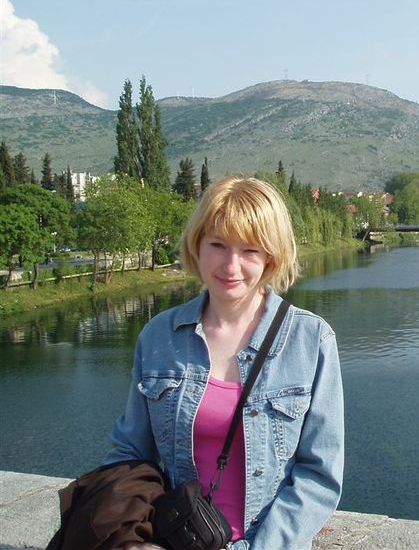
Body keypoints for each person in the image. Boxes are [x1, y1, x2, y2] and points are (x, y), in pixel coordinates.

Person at [105, 176, 345, 550]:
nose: (231, 266)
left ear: (271, 256)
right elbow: (130, 454)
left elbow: (319, 475)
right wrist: (130, 536)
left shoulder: (310, 340)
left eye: (250, 250)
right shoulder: (159, 337)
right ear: (196, 246)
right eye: (218, 245)